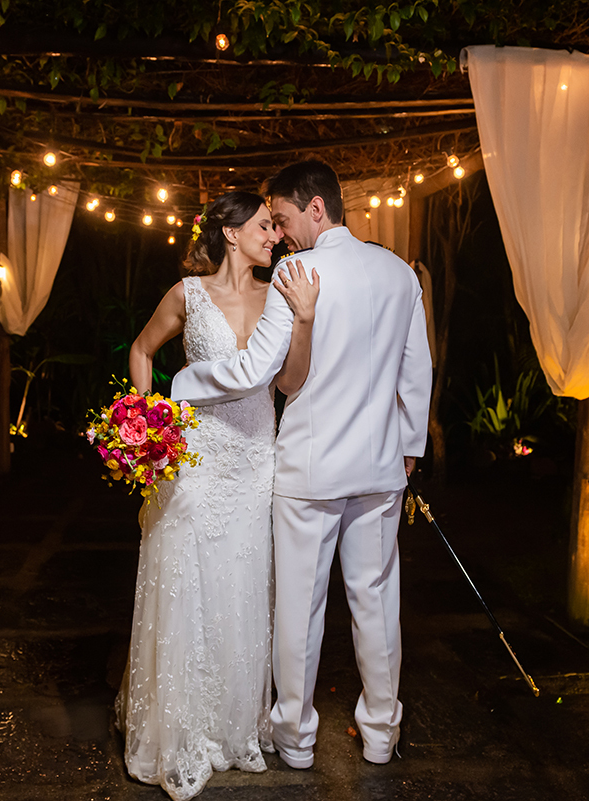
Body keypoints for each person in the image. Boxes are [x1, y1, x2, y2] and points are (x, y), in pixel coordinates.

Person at [171, 161, 432, 769]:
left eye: (284, 218)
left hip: (309, 472)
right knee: (376, 601)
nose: (281, 233)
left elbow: (257, 370)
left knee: (300, 607)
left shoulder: (296, 273)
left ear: (316, 208)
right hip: (380, 469)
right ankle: (381, 733)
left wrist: (184, 383)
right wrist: (409, 448)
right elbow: (415, 372)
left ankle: (295, 736)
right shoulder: (399, 273)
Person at [118, 191, 320, 801]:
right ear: (230, 233)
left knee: (242, 589)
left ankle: (233, 727)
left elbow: (289, 382)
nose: (275, 236)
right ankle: (181, 729)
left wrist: (304, 321)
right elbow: (141, 350)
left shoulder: (279, 295)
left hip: (255, 460)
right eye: (264, 226)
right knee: (187, 586)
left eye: (276, 228)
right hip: (196, 459)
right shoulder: (187, 294)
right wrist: (146, 425)